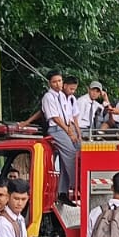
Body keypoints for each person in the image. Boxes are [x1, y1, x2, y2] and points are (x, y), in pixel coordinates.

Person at [39, 71, 81, 203]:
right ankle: (78, 185)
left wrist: (75, 131)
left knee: (78, 150)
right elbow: (55, 118)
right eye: (54, 81)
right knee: (72, 154)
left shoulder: (62, 97)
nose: (58, 84)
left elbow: (69, 116)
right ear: (49, 83)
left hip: (68, 127)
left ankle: (62, 192)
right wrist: (69, 132)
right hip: (56, 129)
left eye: (59, 81)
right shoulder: (48, 97)